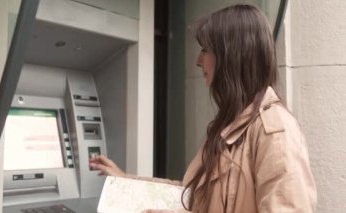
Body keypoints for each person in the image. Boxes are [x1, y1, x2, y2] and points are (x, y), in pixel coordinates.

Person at [90, 4, 317, 213]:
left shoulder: (276, 132)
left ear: (231, 55)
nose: (198, 61)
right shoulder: (232, 125)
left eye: (205, 50)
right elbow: (190, 195)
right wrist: (123, 182)